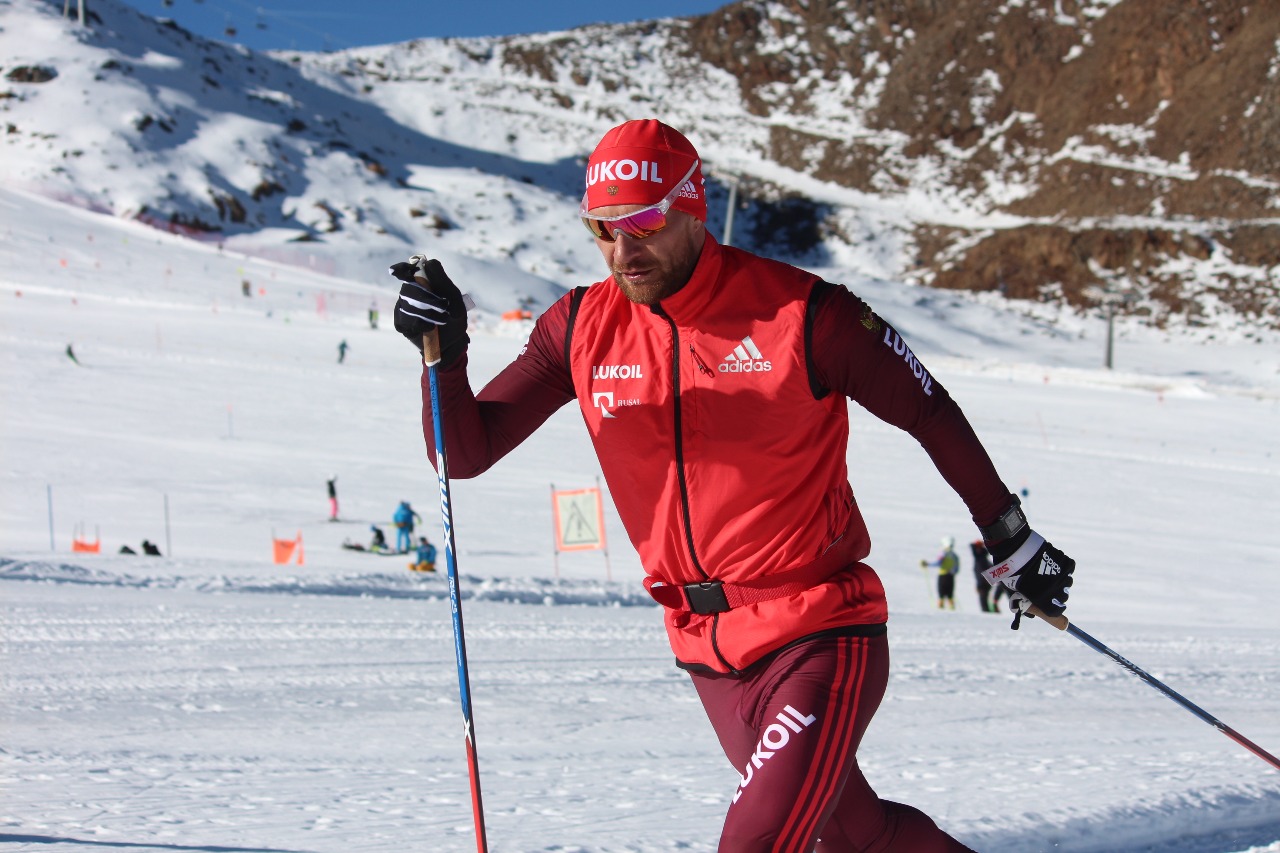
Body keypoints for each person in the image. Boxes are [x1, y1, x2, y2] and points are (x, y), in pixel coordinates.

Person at [389, 119, 1076, 852]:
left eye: (644, 222)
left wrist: (1011, 535)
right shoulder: (580, 326)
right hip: (707, 652)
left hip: (819, 630)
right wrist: (446, 356)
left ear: (694, 206)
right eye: (602, 228)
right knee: (858, 834)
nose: (624, 251)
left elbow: (928, 409)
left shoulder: (803, 314)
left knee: (754, 843)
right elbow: (462, 452)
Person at [920, 536, 960, 610]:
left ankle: (940, 611)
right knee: (950, 596)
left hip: (943, 576)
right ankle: (953, 611)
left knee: (941, 595)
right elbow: (957, 569)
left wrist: (927, 564)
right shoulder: (955, 556)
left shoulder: (943, 553)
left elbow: (938, 563)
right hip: (951, 577)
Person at [971, 539, 996, 612]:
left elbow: (972, 548)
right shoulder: (982, 557)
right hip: (984, 581)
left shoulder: (980, 558)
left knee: (983, 597)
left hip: (983, 581)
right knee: (984, 597)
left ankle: (985, 611)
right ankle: (986, 610)